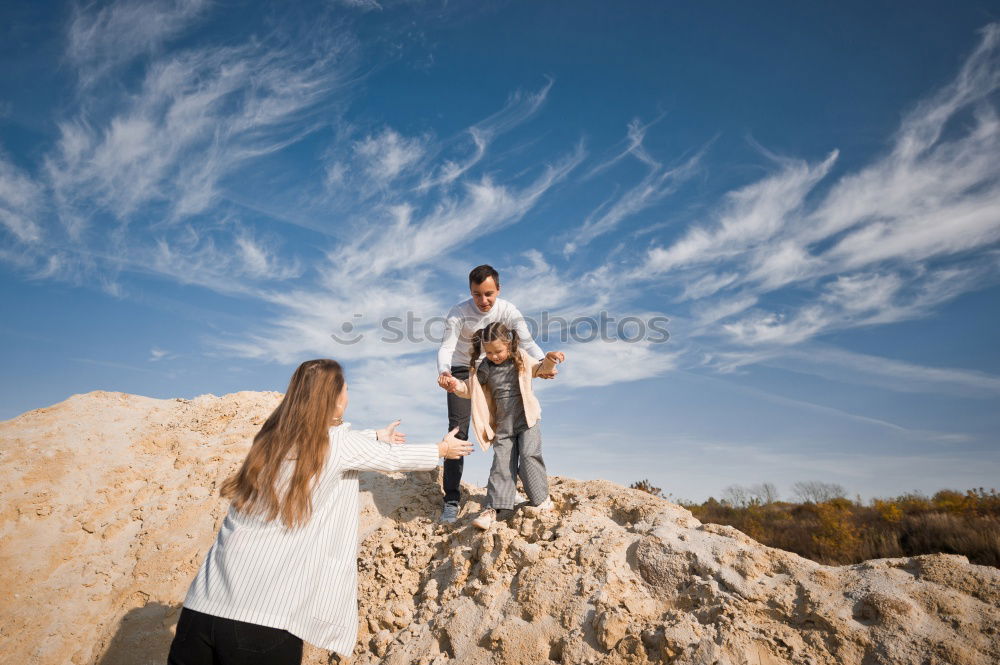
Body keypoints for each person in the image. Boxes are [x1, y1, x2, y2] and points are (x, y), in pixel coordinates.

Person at [168, 359, 472, 665]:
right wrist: (441, 450)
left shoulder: (269, 439)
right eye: (347, 389)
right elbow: (389, 459)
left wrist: (375, 436)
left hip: (201, 608)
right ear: (335, 398)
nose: (349, 396)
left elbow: (328, 445)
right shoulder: (337, 443)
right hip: (262, 616)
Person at [435, 265, 554, 523]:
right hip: (463, 369)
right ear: (470, 291)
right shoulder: (458, 313)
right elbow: (446, 346)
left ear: (498, 289)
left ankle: (512, 493)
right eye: (477, 294)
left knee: (507, 429)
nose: (483, 300)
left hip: (497, 367)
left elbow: (528, 342)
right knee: (459, 431)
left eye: (489, 294)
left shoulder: (508, 310)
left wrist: (545, 363)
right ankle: (452, 500)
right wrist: (446, 373)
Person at [441, 321, 565, 529]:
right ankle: (495, 509)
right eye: (488, 352)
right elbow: (471, 389)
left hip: (527, 419)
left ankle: (541, 500)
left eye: (498, 351)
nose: (494, 356)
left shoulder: (521, 358)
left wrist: (551, 360)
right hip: (503, 425)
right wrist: (455, 385)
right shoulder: (486, 368)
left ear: (509, 344)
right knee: (501, 463)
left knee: (528, 455)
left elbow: (540, 369)